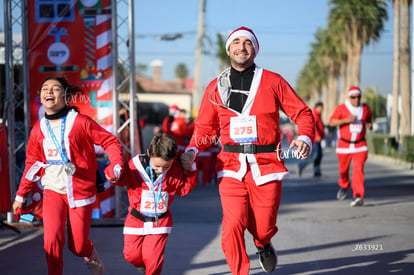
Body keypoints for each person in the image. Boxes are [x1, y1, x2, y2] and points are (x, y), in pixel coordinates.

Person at [181, 26, 315, 274]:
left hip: (267, 164)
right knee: (232, 225)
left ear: (255, 49)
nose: (242, 47)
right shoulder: (215, 87)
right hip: (230, 166)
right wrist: (192, 150)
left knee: (263, 228)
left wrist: (304, 138)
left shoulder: (273, 81)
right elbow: (204, 128)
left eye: (247, 43)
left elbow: (302, 112)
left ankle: (263, 244)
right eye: (236, 43)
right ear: (229, 49)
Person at [12, 76, 124, 275]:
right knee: (51, 240)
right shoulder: (38, 129)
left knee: (78, 247)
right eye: (45, 88)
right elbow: (32, 164)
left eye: (55, 89)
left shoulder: (80, 122)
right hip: (53, 190)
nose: (49, 91)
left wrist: (116, 165)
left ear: (65, 96)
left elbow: (110, 142)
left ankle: (90, 254)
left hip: (81, 191)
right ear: (40, 97)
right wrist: (21, 196)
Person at [114, 132, 197, 275]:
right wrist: (114, 173)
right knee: (131, 255)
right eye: (157, 165)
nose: (161, 170)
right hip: (135, 219)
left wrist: (191, 170)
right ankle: (142, 267)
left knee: (152, 259)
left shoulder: (175, 169)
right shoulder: (134, 166)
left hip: (160, 221)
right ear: (149, 154)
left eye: (166, 166)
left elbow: (184, 190)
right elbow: (120, 181)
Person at [329, 86, 372, 207]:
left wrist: (369, 123)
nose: (356, 99)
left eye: (358, 97)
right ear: (349, 97)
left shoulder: (365, 108)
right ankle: (344, 184)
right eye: (353, 97)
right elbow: (332, 122)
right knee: (343, 171)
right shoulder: (342, 108)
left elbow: (369, 116)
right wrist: (346, 120)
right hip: (344, 145)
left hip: (360, 145)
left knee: (358, 170)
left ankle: (358, 196)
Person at [297, 102, 325, 177]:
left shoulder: (318, 114)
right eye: (321, 108)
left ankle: (317, 172)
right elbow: (313, 126)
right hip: (315, 139)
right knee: (314, 156)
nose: (322, 110)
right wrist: (318, 135)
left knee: (319, 155)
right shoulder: (314, 114)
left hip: (318, 139)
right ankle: (301, 165)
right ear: (318, 107)